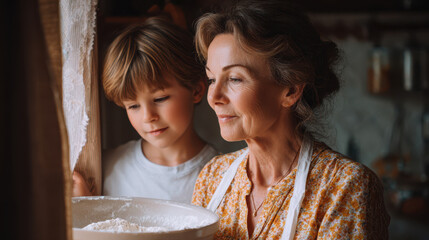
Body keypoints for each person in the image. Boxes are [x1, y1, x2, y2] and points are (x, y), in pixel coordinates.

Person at [191, 0, 390, 239]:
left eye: (235, 79)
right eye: (212, 79)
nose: (213, 97)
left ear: (291, 90)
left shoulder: (345, 187)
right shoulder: (212, 177)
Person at [72, 17, 218, 204]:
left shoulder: (223, 176)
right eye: (133, 106)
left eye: (160, 99)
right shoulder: (105, 168)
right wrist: (84, 210)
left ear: (196, 90)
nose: (149, 117)